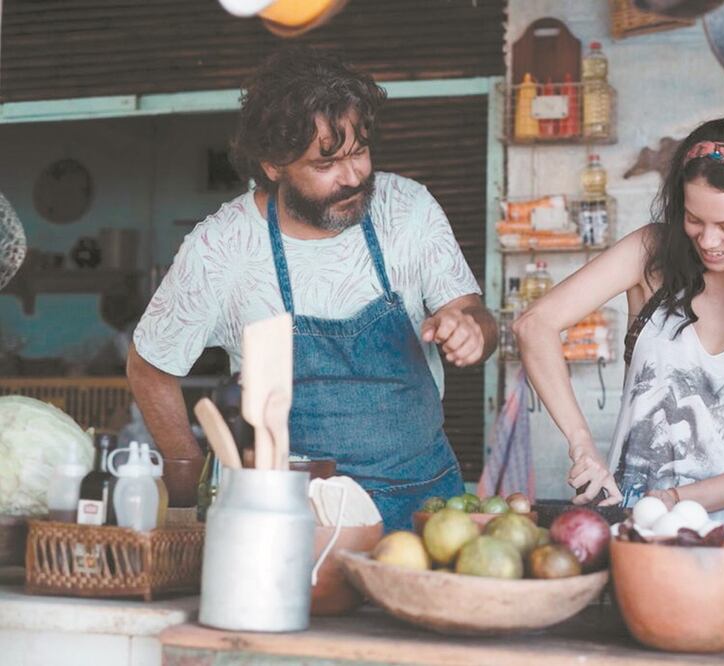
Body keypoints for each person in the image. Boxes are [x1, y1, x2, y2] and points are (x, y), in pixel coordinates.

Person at [127, 47, 497, 531]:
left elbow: (476, 315)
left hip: (428, 507)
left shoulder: (409, 209)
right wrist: (194, 486)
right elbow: (149, 366)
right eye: (326, 164)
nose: (352, 177)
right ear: (274, 164)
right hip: (297, 517)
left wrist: (472, 329)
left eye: (358, 153)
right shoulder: (221, 247)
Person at [514, 117, 724, 553]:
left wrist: (673, 500)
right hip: (638, 534)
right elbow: (534, 325)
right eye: (694, 219)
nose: (709, 239)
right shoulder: (652, 259)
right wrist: (582, 445)